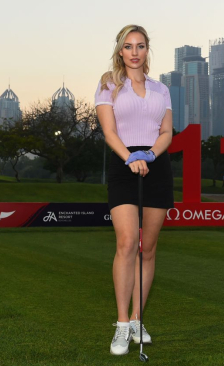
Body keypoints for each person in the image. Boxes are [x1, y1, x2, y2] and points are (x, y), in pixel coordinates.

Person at [95, 24, 174, 356]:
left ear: (147, 51)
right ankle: (122, 324)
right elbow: (109, 131)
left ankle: (139, 319)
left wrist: (151, 155)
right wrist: (131, 158)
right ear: (120, 51)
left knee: (149, 248)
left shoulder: (161, 89)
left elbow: (167, 130)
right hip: (123, 165)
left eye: (141, 46)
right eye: (128, 46)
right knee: (127, 243)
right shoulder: (108, 85)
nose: (135, 52)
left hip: (156, 165)